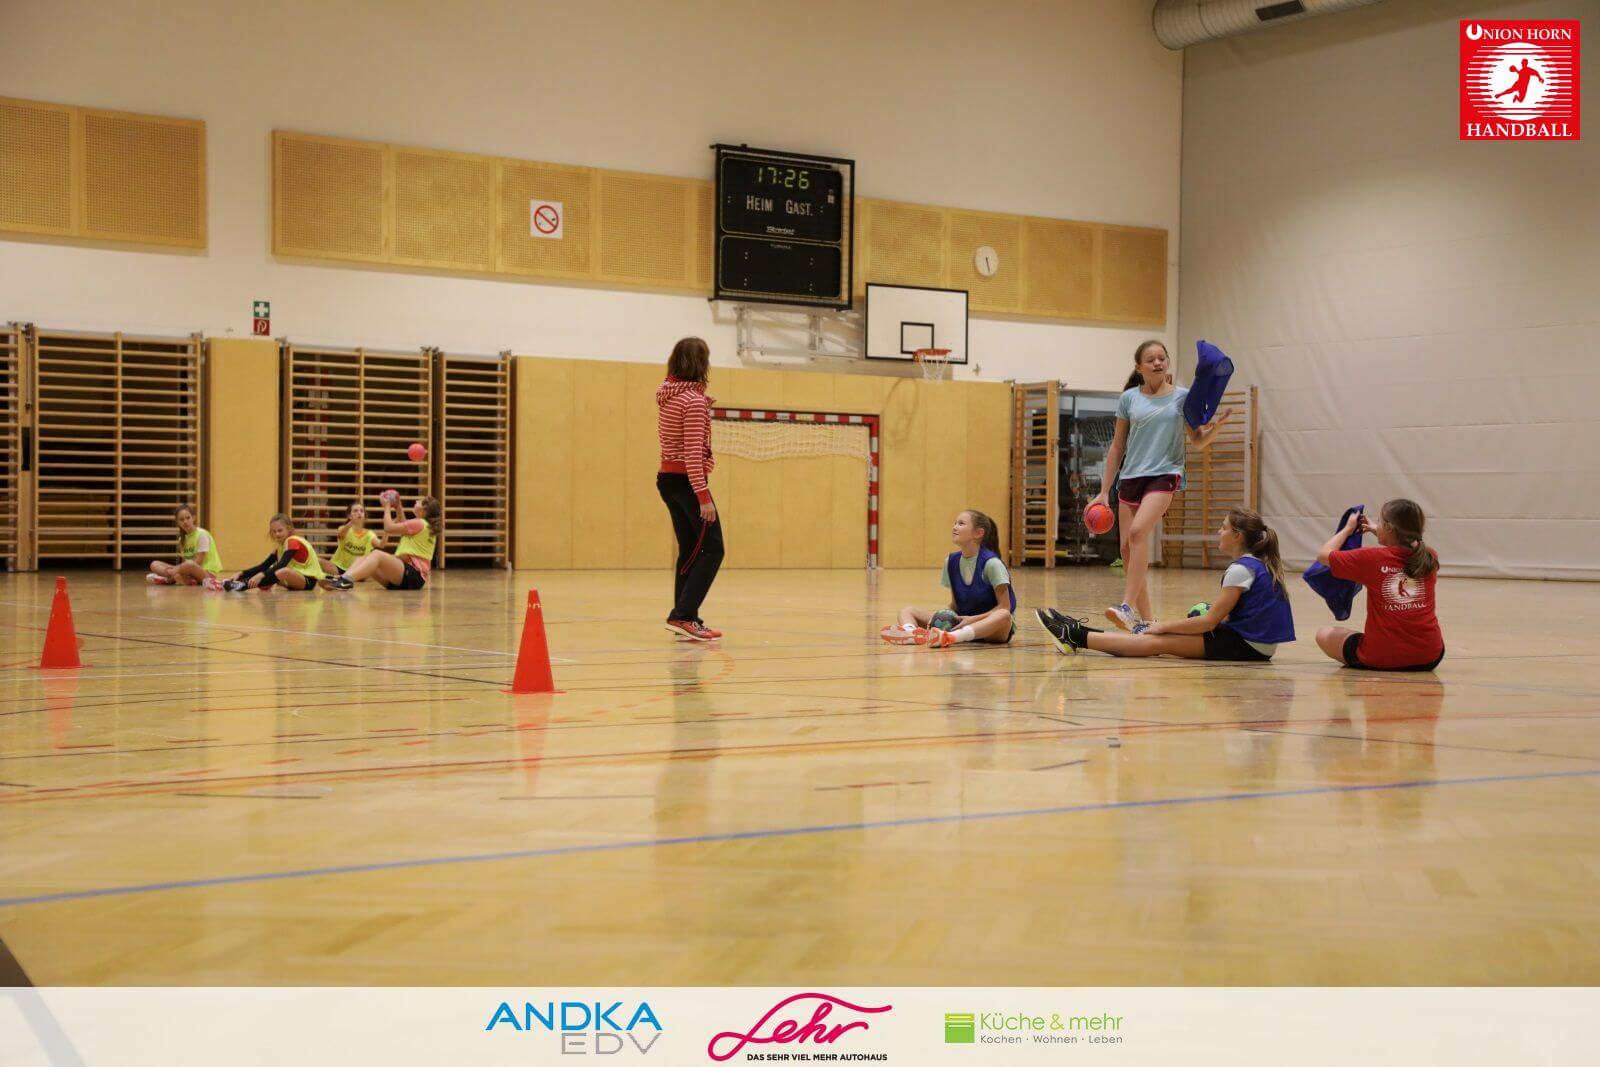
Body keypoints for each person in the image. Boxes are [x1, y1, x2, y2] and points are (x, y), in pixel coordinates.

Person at [1091, 340, 1232, 634]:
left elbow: (1197, 441)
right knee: (1127, 550)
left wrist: (1215, 429)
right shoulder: (1129, 399)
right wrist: (1104, 491)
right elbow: (1117, 447)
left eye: (1162, 358)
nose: (1157, 363)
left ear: (1167, 362)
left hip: (1165, 473)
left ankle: (1126, 607)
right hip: (1130, 477)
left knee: (1138, 533)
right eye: (1151, 359)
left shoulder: (1183, 397)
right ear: (1139, 367)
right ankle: (1147, 621)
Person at [1037, 508, 1293, 661]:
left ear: (1237, 536)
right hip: (1255, 642)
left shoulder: (1240, 570)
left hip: (1249, 646)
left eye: (1223, 528)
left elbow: (1208, 622)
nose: (1218, 532)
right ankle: (1079, 631)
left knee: (1159, 641)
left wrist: (1160, 626)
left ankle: (1074, 636)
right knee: (1162, 635)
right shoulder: (1255, 565)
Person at [1313, 498, 1444, 672]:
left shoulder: (1371, 559)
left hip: (1381, 658)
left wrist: (1347, 529)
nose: (1377, 525)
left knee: (1323, 634)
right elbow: (1409, 545)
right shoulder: (1429, 556)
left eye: (1380, 522)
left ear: (1389, 528)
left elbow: (1323, 555)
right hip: (1429, 656)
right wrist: (1377, 530)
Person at [656, 337, 724, 641]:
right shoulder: (693, 402)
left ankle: (684, 616)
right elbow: (693, 453)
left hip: (668, 480)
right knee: (713, 549)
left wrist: (702, 402)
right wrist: (703, 496)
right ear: (701, 363)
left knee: (690, 549)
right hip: (688, 482)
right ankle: (683, 615)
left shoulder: (670, 395)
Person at [881, 510, 1016, 648]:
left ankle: (950, 637)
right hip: (961, 621)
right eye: (955, 523)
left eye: (961, 524)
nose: (955, 527)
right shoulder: (951, 561)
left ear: (978, 533)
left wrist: (971, 620)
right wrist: (942, 618)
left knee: (1004, 615)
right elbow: (955, 605)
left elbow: (1005, 607)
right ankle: (911, 634)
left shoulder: (992, 563)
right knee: (907, 611)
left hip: (992, 627)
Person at [325, 494, 439, 591]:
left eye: (419, 501)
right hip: (407, 579)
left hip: (413, 575)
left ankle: (346, 580)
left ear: (424, 509)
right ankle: (342, 579)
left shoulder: (419, 523)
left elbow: (388, 527)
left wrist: (387, 506)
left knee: (377, 554)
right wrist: (398, 506)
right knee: (362, 558)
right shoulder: (424, 525)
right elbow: (403, 523)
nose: (416, 501)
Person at [219, 514, 325, 591]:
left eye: (280, 530)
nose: (277, 534)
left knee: (282, 571)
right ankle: (235, 582)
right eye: (274, 531)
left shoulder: (293, 541)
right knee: (266, 578)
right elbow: (263, 566)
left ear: (288, 529)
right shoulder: (280, 547)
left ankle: (242, 586)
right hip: (293, 581)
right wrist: (241, 574)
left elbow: (282, 565)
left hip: (307, 582)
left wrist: (260, 576)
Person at [146, 504, 223, 586]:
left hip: (207, 574)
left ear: (193, 518)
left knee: (188, 564)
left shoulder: (202, 535)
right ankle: (180, 579)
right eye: (181, 520)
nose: (185, 522)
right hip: (188, 572)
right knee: (154, 564)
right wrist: (178, 571)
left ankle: (168, 579)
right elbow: (184, 562)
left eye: (188, 518)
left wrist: (176, 570)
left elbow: (199, 561)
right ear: (178, 523)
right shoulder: (182, 539)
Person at [320, 501, 384, 586]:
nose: (359, 513)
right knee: (319, 561)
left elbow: (381, 545)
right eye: (355, 511)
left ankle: (341, 578)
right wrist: (352, 522)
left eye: (361, 511)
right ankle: (340, 578)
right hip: (338, 568)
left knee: (373, 567)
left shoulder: (369, 534)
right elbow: (341, 533)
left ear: (365, 516)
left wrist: (387, 531)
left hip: (357, 570)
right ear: (349, 516)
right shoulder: (344, 529)